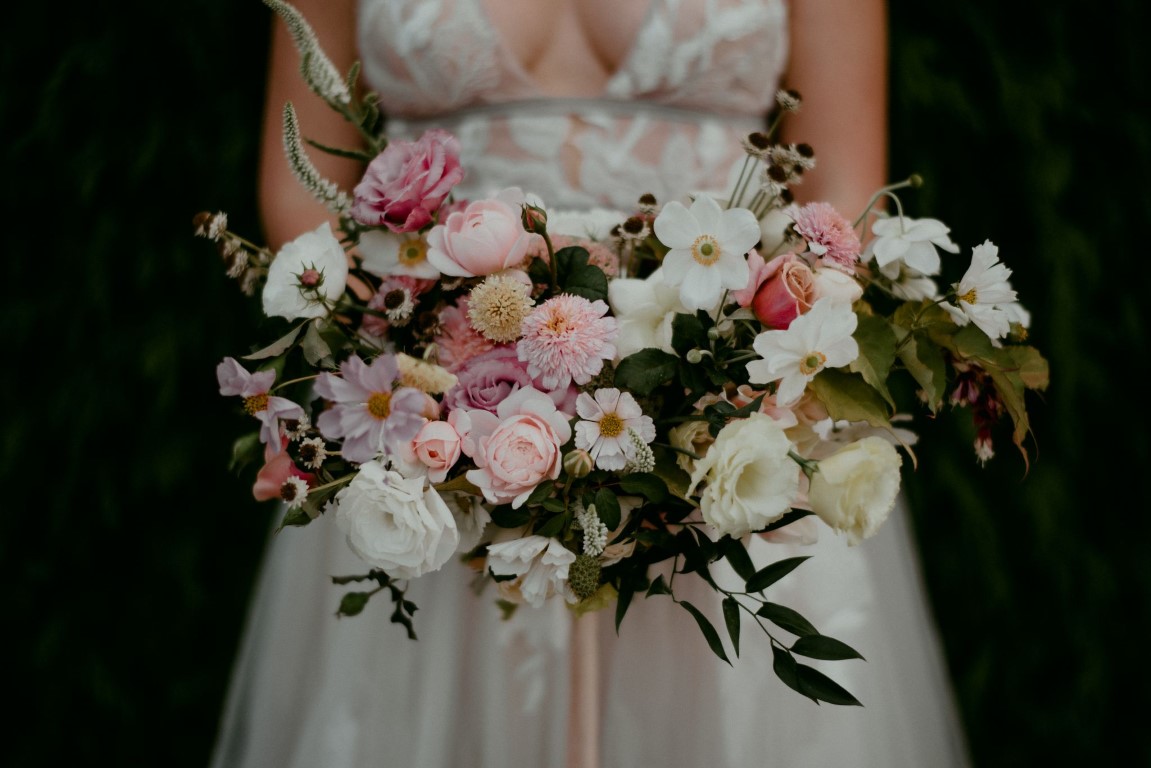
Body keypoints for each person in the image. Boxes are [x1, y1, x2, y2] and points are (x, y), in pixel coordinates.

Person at [209, 0, 973, 766]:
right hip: (426, 437)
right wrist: (430, 379)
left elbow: (840, 187)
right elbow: (304, 186)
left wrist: (727, 381)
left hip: (728, 427)